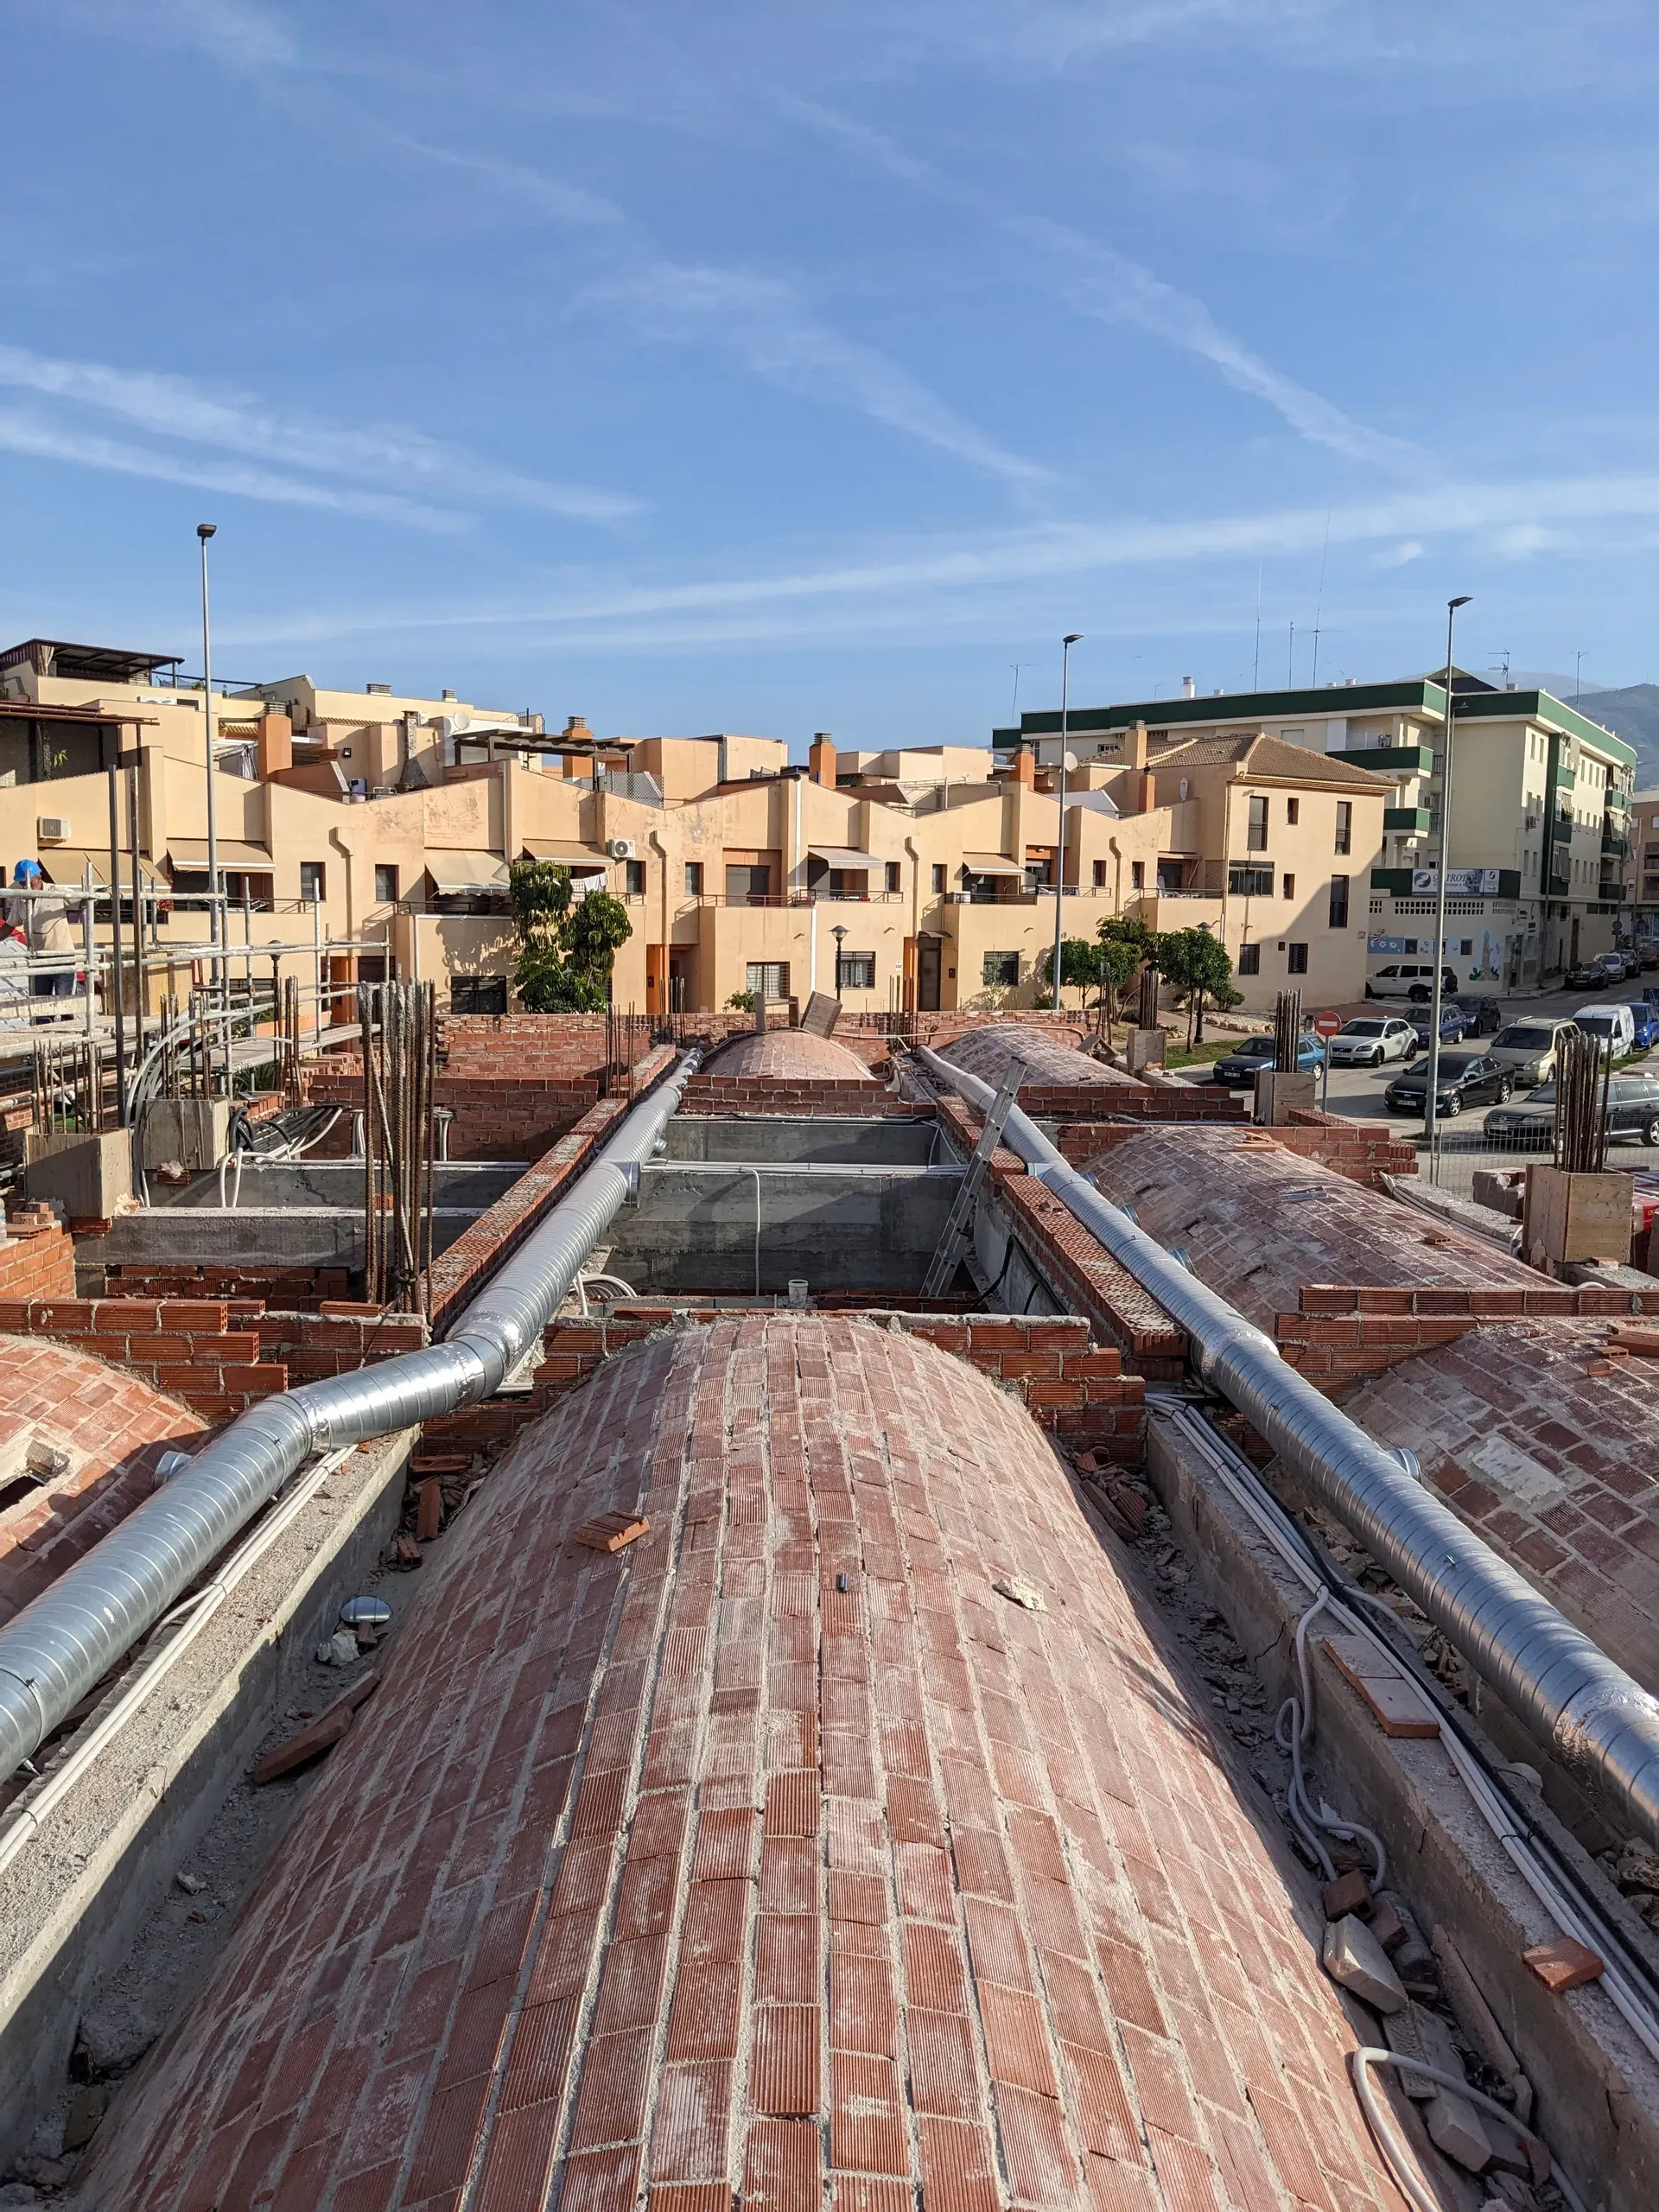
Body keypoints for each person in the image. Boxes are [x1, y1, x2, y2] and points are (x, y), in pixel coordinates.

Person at [7, 860, 75, 1005]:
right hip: (38, 959)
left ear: (38, 878)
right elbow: (9, 925)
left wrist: (94, 898)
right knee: (40, 1004)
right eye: (22, 884)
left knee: (65, 1004)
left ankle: (65, 1026)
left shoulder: (56, 892)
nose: (25, 887)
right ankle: (43, 1026)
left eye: (27, 882)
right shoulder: (21, 900)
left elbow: (83, 901)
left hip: (62, 957)